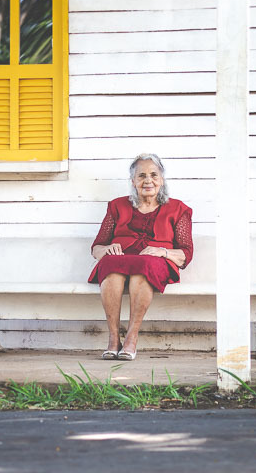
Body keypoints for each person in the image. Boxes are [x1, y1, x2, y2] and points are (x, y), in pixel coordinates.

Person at [88, 153, 193, 361]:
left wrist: (162, 252)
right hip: (121, 263)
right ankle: (113, 339)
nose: (148, 180)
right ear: (133, 181)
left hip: (155, 264)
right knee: (111, 265)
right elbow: (96, 248)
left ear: (161, 180)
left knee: (143, 267)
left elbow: (185, 254)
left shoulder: (178, 209)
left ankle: (131, 338)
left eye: (154, 175)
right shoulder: (117, 206)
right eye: (141, 175)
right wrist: (107, 248)